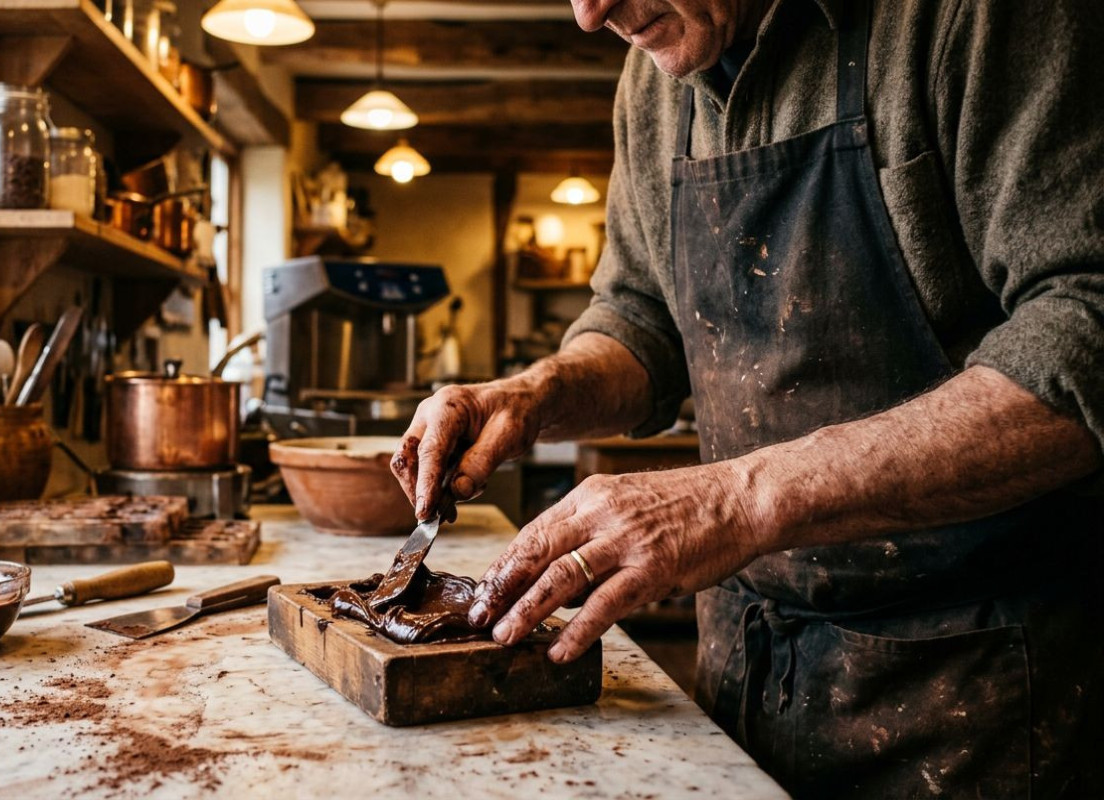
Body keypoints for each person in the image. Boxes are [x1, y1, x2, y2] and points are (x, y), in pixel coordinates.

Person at [389, 0, 1104, 796]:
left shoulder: (971, 19)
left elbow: (1086, 327)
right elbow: (641, 320)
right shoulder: (654, 80)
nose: (592, 15)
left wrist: (738, 499)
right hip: (750, 670)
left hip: (985, 684)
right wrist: (533, 394)